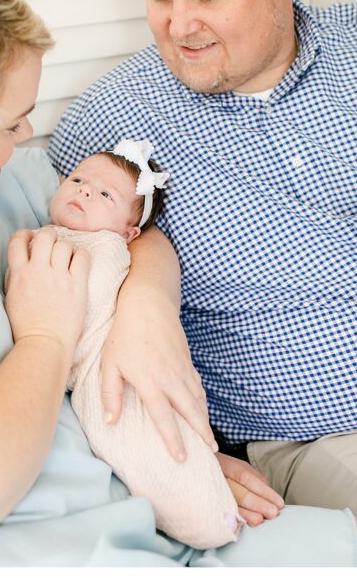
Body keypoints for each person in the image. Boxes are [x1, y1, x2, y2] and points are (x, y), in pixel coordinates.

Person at [0, 0, 357, 566]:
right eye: (11, 122)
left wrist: (146, 307)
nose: (28, 135)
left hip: (139, 491)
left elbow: (131, 232)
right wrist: (47, 336)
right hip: (70, 541)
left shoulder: (5, 188)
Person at [49, 0, 357, 518]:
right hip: (332, 431)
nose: (178, 25)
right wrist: (146, 295)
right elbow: (74, 281)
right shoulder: (110, 124)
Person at [46, 140, 249, 549]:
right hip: (90, 374)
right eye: (78, 179)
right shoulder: (46, 233)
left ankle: (212, 518)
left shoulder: (107, 249)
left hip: (113, 365)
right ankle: (210, 509)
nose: (84, 190)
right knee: (153, 449)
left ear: (129, 232)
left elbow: (89, 309)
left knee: (150, 437)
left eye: (105, 194)